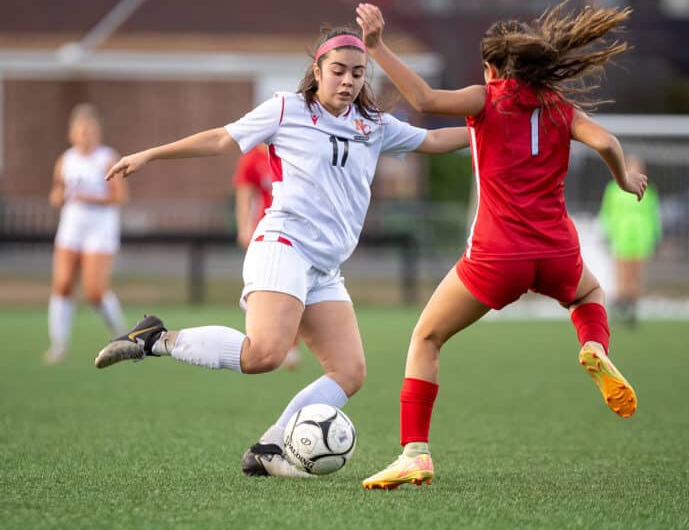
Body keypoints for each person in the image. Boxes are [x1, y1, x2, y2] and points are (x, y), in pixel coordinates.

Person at [92, 27, 470, 478]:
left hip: (325, 267)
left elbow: (433, 141)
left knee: (349, 372)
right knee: (264, 355)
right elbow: (220, 139)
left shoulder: (373, 125)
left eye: (357, 73)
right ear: (317, 71)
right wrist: (151, 154)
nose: (348, 81)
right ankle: (155, 339)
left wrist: (490, 128)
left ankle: (269, 446)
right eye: (338, 71)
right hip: (283, 245)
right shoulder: (288, 109)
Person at [355, 1, 647, 490]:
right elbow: (607, 143)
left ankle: (414, 453)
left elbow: (424, 98)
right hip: (556, 253)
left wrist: (377, 46)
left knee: (426, 338)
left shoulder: (485, 98)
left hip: (497, 257)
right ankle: (593, 346)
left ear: (491, 67)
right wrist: (622, 179)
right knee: (589, 295)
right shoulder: (559, 107)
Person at [45, 103, 128, 365]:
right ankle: (58, 344)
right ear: (72, 134)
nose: (85, 137)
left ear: (97, 132)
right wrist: (59, 197)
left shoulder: (107, 158)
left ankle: (120, 334)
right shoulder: (65, 160)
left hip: (100, 231)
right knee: (62, 285)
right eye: (81, 132)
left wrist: (89, 198)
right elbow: (57, 193)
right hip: (71, 229)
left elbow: (119, 197)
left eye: (90, 131)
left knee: (94, 290)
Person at [233, 146, 301, 369]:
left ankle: (290, 344)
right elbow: (244, 195)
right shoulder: (252, 158)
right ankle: (260, 339)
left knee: (296, 288)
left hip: (297, 235)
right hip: (266, 235)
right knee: (263, 290)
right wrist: (244, 228)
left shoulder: (292, 149)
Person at [598, 155, 661, 326]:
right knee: (622, 272)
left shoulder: (649, 191)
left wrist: (656, 235)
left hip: (641, 237)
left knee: (636, 274)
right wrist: (606, 231)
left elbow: (654, 215)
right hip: (621, 236)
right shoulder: (614, 189)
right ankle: (621, 304)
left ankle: (632, 307)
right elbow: (606, 212)